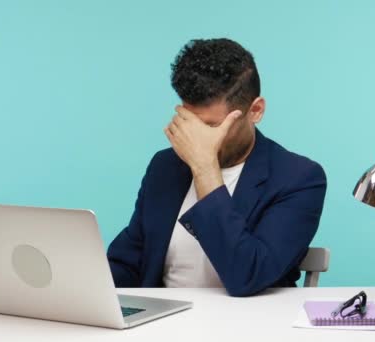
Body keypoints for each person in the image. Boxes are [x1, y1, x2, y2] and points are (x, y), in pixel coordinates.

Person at [106, 38, 327, 297]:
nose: (198, 139)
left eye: (211, 127)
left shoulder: (298, 178)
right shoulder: (165, 166)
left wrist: (204, 168)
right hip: (163, 325)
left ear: (255, 110)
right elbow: (128, 263)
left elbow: (247, 275)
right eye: (190, 122)